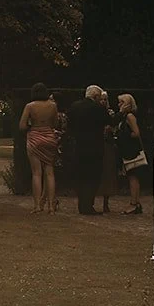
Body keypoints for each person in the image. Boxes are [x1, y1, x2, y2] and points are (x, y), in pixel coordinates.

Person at [66, 85, 110, 216]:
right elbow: (109, 121)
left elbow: (70, 125)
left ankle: (82, 204)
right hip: (95, 146)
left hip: (79, 145)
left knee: (81, 175)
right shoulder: (98, 109)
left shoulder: (74, 107)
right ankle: (88, 204)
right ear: (96, 97)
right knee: (93, 176)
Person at [21, 84, 60, 213]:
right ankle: (50, 205)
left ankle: (37, 205)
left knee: (36, 173)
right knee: (50, 172)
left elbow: (22, 125)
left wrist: (31, 126)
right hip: (49, 137)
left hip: (34, 137)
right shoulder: (52, 106)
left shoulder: (30, 106)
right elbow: (55, 123)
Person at [115, 93, 146, 214]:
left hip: (132, 151)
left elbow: (136, 133)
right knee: (132, 176)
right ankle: (135, 202)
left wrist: (123, 136)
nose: (119, 105)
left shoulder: (129, 116)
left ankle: (134, 203)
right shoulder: (124, 117)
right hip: (127, 149)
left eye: (121, 102)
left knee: (133, 176)